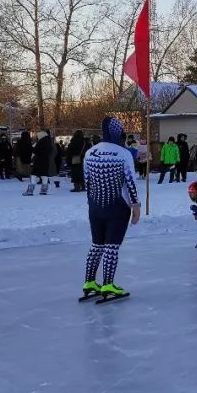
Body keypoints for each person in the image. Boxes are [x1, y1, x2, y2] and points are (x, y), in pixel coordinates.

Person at [79, 117, 140, 302]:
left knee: (97, 244)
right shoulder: (123, 153)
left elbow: (87, 182)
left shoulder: (90, 152)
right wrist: (136, 206)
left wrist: (91, 204)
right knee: (112, 246)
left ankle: (89, 282)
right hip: (117, 206)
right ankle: (108, 285)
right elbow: (130, 182)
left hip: (95, 207)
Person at [27, 129, 56, 196]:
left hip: (38, 161)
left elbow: (35, 151)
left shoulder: (40, 142)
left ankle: (30, 190)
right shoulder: (49, 142)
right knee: (44, 175)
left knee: (33, 174)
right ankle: (44, 190)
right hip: (46, 161)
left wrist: (32, 147)